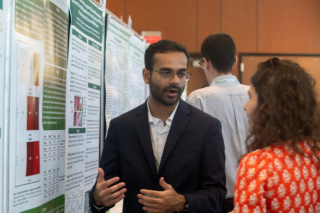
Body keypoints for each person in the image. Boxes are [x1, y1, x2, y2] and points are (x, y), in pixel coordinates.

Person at [89, 40, 227, 213]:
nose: (175, 81)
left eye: (181, 73)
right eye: (166, 73)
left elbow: (216, 195)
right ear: (146, 75)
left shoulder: (207, 127)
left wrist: (183, 202)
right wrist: (98, 199)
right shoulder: (121, 127)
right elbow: (105, 190)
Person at [233, 58, 320, 212]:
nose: (245, 107)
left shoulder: (257, 165)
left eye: (251, 97)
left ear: (269, 106)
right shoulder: (314, 152)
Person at [186, 33, 249, 213]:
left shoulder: (197, 99)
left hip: (215, 201)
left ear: (205, 62)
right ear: (235, 62)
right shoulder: (255, 95)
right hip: (254, 198)